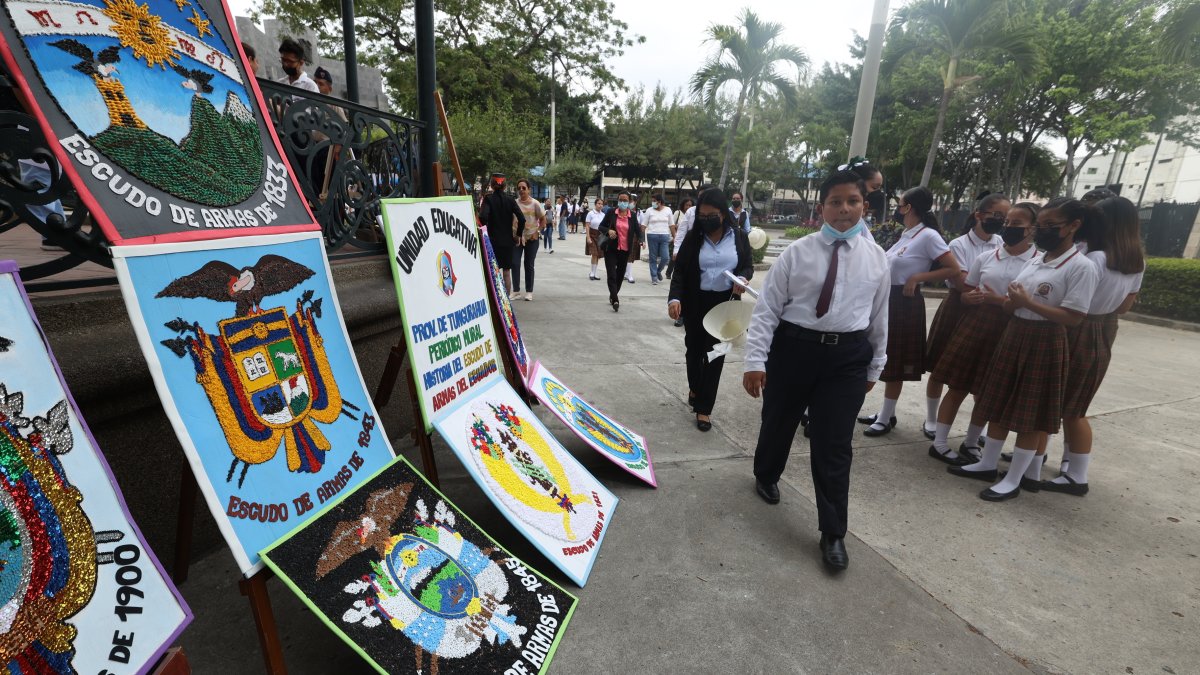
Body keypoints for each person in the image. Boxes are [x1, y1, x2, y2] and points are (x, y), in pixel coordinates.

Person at [744, 170, 891, 572]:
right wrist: (756, 361)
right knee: (779, 421)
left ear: (864, 205)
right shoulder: (797, 253)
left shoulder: (877, 259)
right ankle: (766, 473)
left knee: (834, 444)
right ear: (821, 206)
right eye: (835, 201)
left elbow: (879, 317)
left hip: (846, 360)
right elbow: (767, 309)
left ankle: (833, 532)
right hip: (794, 350)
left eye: (852, 201)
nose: (844, 209)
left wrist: (876, 363)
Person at [948, 197, 1100, 501]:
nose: (1041, 232)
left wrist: (1026, 304)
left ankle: (1014, 478)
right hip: (1015, 332)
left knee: (1030, 412)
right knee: (998, 400)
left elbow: (1074, 317)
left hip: (1045, 340)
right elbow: (1013, 301)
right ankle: (988, 462)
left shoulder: (1082, 267)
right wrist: (1005, 302)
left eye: (1050, 226)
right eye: (1040, 226)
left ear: (1074, 226)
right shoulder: (1037, 259)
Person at [1045, 196, 1145, 496]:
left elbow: (1072, 303)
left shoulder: (1093, 259)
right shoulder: (1136, 260)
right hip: (1104, 327)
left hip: (1076, 327)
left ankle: (1074, 474)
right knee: (1076, 401)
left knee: (1064, 403)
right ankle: (1069, 466)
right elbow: (1125, 306)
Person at [926, 202, 1039, 464]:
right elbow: (966, 293)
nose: (1009, 227)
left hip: (1011, 328)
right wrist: (973, 298)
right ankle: (940, 443)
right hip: (976, 324)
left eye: (1017, 224)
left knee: (987, 391)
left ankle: (970, 442)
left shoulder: (1037, 263)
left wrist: (997, 300)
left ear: (1032, 228)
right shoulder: (986, 257)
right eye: (1007, 222)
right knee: (958, 384)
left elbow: (1027, 303)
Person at [858, 186, 960, 437]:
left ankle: (884, 418)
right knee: (883, 354)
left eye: (900, 203)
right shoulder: (908, 234)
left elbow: (953, 269)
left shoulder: (928, 236)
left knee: (895, 358)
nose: (897, 207)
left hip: (905, 300)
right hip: (889, 298)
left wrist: (917, 278)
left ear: (909, 207)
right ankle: (887, 412)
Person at [921, 193, 1008, 442]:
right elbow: (961, 282)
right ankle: (931, 419)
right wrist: (991, 295)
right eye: (996, 215)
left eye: (1005, 217)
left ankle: (975, 430)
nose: (1001, 221)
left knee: (982, 372)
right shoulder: (959, 244)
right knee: (940, 367)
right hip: (958, 308)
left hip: (988, 313)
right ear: (979, 215)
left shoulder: (1001, 243)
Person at [668, 189, 753, 431]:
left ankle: (704, 409)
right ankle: (695, 386)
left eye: (711, 215)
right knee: (694, 351)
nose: (707, 220)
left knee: (716, 355)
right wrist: (674, 299)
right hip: (696, 302)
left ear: (723, 214)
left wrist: (743, 279)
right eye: (702, 216)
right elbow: (681, 271)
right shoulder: (694, 239)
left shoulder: (738, 237)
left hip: (726, 304)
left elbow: (747, 265)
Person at [478, 173, 525, 294]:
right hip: (508, 241)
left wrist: (486, 230)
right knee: (507, 273)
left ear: (492, 185)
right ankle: (507, 302)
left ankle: (496, 302)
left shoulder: (488, 199)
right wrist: (518, 235)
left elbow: (483, 217)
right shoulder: (510, 200)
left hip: (493, 241)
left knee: (494, 272)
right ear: (505, 186)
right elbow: (522, 219)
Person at [599, 191, 642, 311]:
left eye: (625, 200)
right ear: (618, 200)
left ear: (629, 202)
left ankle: (613, 294)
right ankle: (615, 299)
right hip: (611, 248)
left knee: (620, 275)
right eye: (621, 200)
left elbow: (638, 231)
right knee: (612, 274)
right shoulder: (611, 212)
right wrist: (609, 231)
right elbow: (601, 226)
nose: (622, 202)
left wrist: (641, 240)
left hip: (625, 250)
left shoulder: (632, 215)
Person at [512, 179, 546, 300]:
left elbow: (543, 219)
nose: (521, 190)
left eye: (523, 188)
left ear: (529, 189)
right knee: (515, 263)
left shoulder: (535, 203)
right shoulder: (514, 203)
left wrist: (537, 232)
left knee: (528, 264)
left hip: (532, 238)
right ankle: (515, 291)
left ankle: (529, 291)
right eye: (519, 188)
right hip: (518, 238)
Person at [643, 195, 674, 285]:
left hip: (664, 236)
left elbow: (671, 224)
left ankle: (658, 271)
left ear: (660, 202)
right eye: (652, 200)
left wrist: (675, 236)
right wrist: (642, 239)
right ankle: (654, 277)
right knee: (653, 258)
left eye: (654, 201)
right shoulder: (649, 210)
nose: (653, 202)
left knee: (665, 257)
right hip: (652, 235)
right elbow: (644, 225)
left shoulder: (668, 210)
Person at [666, 197, 693, 284]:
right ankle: (669, 272)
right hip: (678, 238)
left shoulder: (693, 214)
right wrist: (673, 236)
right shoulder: (678, 213)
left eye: (690, 205)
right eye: (686, 205)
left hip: (688, 239)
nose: (688, 207)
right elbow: (671, 225)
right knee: (675, 256)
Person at [585, 197, 607, 279]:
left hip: (600, 235)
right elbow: (587, 226)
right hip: (592, 234)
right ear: (595, 204)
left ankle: (595, 272)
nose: (600, 205)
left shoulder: (603, 215)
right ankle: (592, 272)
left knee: (598, 255)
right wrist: (588, 237)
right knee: (594, 254)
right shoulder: (590, 213)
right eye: (599, 203)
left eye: (602, 204)